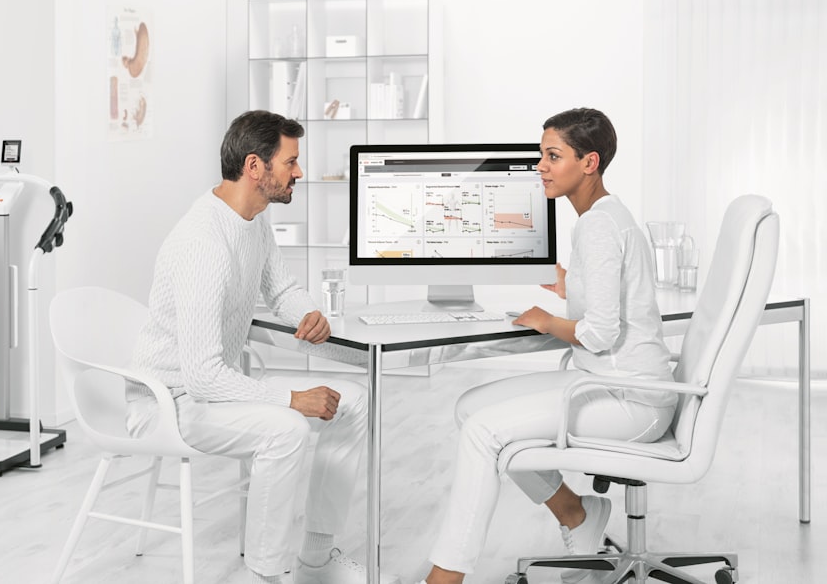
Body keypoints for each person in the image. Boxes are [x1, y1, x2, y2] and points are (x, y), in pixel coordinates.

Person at [126, 110, 400, 584]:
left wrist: (308, 313)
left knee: (353, 401)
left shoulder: (252, 220)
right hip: (170, 402)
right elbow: (202, 375)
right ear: (256, 166)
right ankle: (266, 575)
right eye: (291, 162)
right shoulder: (203, 242)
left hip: (216, 389)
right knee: (286, 429)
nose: (299, 172)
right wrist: (294, 400)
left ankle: (316, 559)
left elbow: (282, 288)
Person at [417, 108, 678, 584]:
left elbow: (599, 333)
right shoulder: (605, 216)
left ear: (589, 162)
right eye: (542, 154)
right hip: (611, 383)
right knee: (470, 408)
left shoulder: (597, 227)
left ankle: (446, 575)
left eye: (553, 156)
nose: (540, 166)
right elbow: (606, 297)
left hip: (631, 398)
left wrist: (546, 321)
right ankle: (577, 514)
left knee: (483, 431)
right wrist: (562, 282)